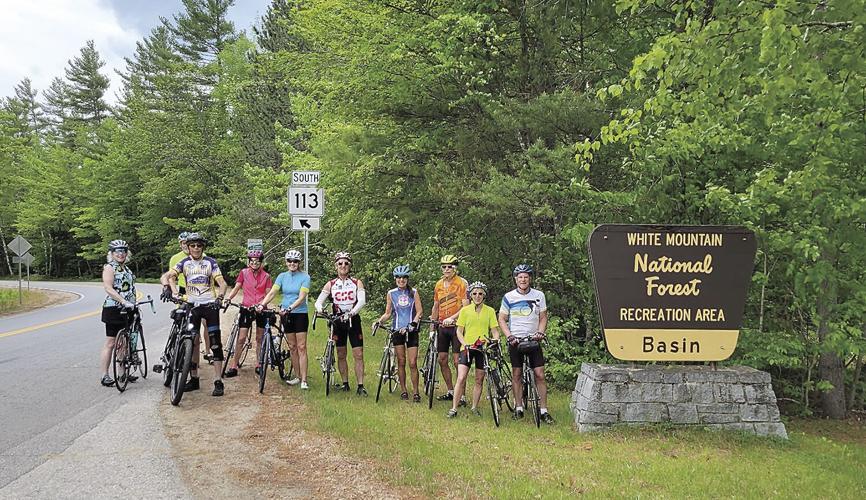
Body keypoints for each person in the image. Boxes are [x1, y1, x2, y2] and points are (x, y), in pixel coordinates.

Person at [160, 233, 228, 397]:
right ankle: (194, 378)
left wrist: (220, 298)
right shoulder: (184, 262)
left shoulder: (210, 262)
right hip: (192, 306)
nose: (196, 248)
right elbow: (170, 276)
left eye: (199, 245)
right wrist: (172, 291)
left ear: (202, 247)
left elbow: (222, 283)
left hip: (210, 305)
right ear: (188, 247)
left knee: (215, 343)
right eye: (193, 245)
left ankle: (218, 381)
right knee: (193, 340)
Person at [498, 264, 554, 424]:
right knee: (517, 374)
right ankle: (519, 407)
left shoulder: (539, 295)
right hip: (516, 340)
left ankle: (544, 410)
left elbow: (543, 317)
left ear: (530, 279)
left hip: (533, 339)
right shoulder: (509, 297)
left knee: (540, 375)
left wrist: (540, 332)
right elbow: (501, 319)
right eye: (520, 277)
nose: (523, 280)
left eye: (526, 277)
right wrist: (509, 336)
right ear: (516, 279)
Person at [314, 251, 368, 396]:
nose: (343, 266)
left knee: (358, 354)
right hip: (337, 321)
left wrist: (352, 312)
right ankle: (345, 384)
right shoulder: (331, 284)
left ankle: (360, 386)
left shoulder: (356, 282)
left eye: (346, 263)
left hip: (353, 319)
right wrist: (320, 310)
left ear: (350, 266)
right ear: (336, 266)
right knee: (341, 353)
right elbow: (318, 302)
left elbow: (362, 301)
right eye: (340, 263)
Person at [447, 281, 500, 418]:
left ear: (484, 295)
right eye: (474, 293)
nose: (477, 296)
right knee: (461, 377)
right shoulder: (465, 311)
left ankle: (474, 407)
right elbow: (459, 331)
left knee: (479, 379)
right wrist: (464, 343)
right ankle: (454, 408)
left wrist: (495, 340)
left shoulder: (490, 311)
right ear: (470, 295)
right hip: (467, 347)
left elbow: (495, 331)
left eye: (480, 294)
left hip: (482, 348)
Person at [259, 249, 311, 389]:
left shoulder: (305, 277)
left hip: (299, 314)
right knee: (292, 347)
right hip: (286, 314)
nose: (292, 263)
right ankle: (297, 376)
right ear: (286, 262)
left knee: (301, 347)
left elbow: (301, 298)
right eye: (289, 261)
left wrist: (290, 308)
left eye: (295, 261)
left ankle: (304, 380)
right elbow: (273, 292)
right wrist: (262, 304)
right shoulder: (282, 276)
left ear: (299, 263)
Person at [374, 265, 423, 402]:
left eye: (404, 278)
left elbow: (419, 311)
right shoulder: (391, 293)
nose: (401, 280)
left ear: (407, 279)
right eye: (398, 278)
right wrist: (379, 321)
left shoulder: (414, 292)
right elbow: (388, 313)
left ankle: (416, 392)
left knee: (412, 363)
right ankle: (403, 390)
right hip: (397, 330)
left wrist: (413, 323)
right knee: (401, 361)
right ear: (395, 279)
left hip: (411, 330)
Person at [162, 231, 212, 359]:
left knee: (205, 323)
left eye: (187, 243)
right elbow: (170, 276)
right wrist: (170, 289)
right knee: (181, 320)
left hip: (200, 291)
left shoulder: (202, 256)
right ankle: (175, 349)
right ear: (180, 244)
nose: (185, 245)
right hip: (182, 290)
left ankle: (207, 351)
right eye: (183, 243)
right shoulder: (175, 258)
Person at [223, 249, 272, 378]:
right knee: (241, 338)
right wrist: (229, 298)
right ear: (248, 262)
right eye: (252, 261)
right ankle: (234, 365)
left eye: (257, 261)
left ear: (261, 262)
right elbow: (236, 287)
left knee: (259, 338)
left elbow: (269, 294)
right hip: (246, 307)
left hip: (261, 308)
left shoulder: (266, 276)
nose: (254, 263)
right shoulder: (243, 273)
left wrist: (262, 305)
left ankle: (259, 364)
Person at [430, 254, 469, 404]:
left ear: (455, 268)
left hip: (457, 327)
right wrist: (432, 328)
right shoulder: (439, 284)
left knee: (457, 361)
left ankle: (462, 395)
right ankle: (451, 391)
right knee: (442, 359)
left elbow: (466, 307)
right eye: (444, 267)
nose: (446, 269)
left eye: (450, 266)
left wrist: (452, 318)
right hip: (442, 326)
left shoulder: (461, 283)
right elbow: (436, 306)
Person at [100, 239, 137, 387]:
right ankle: (105, 375)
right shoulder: (109, 268)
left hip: (128, 308)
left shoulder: (126, 269)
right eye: (117, 251)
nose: (121, 254)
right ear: (112, 253)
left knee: (124, 342)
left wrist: (133, 304)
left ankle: (122, 373)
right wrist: (122, 301)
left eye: (124, 251)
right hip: (113, 308)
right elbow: (108, 288)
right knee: (111, 342)